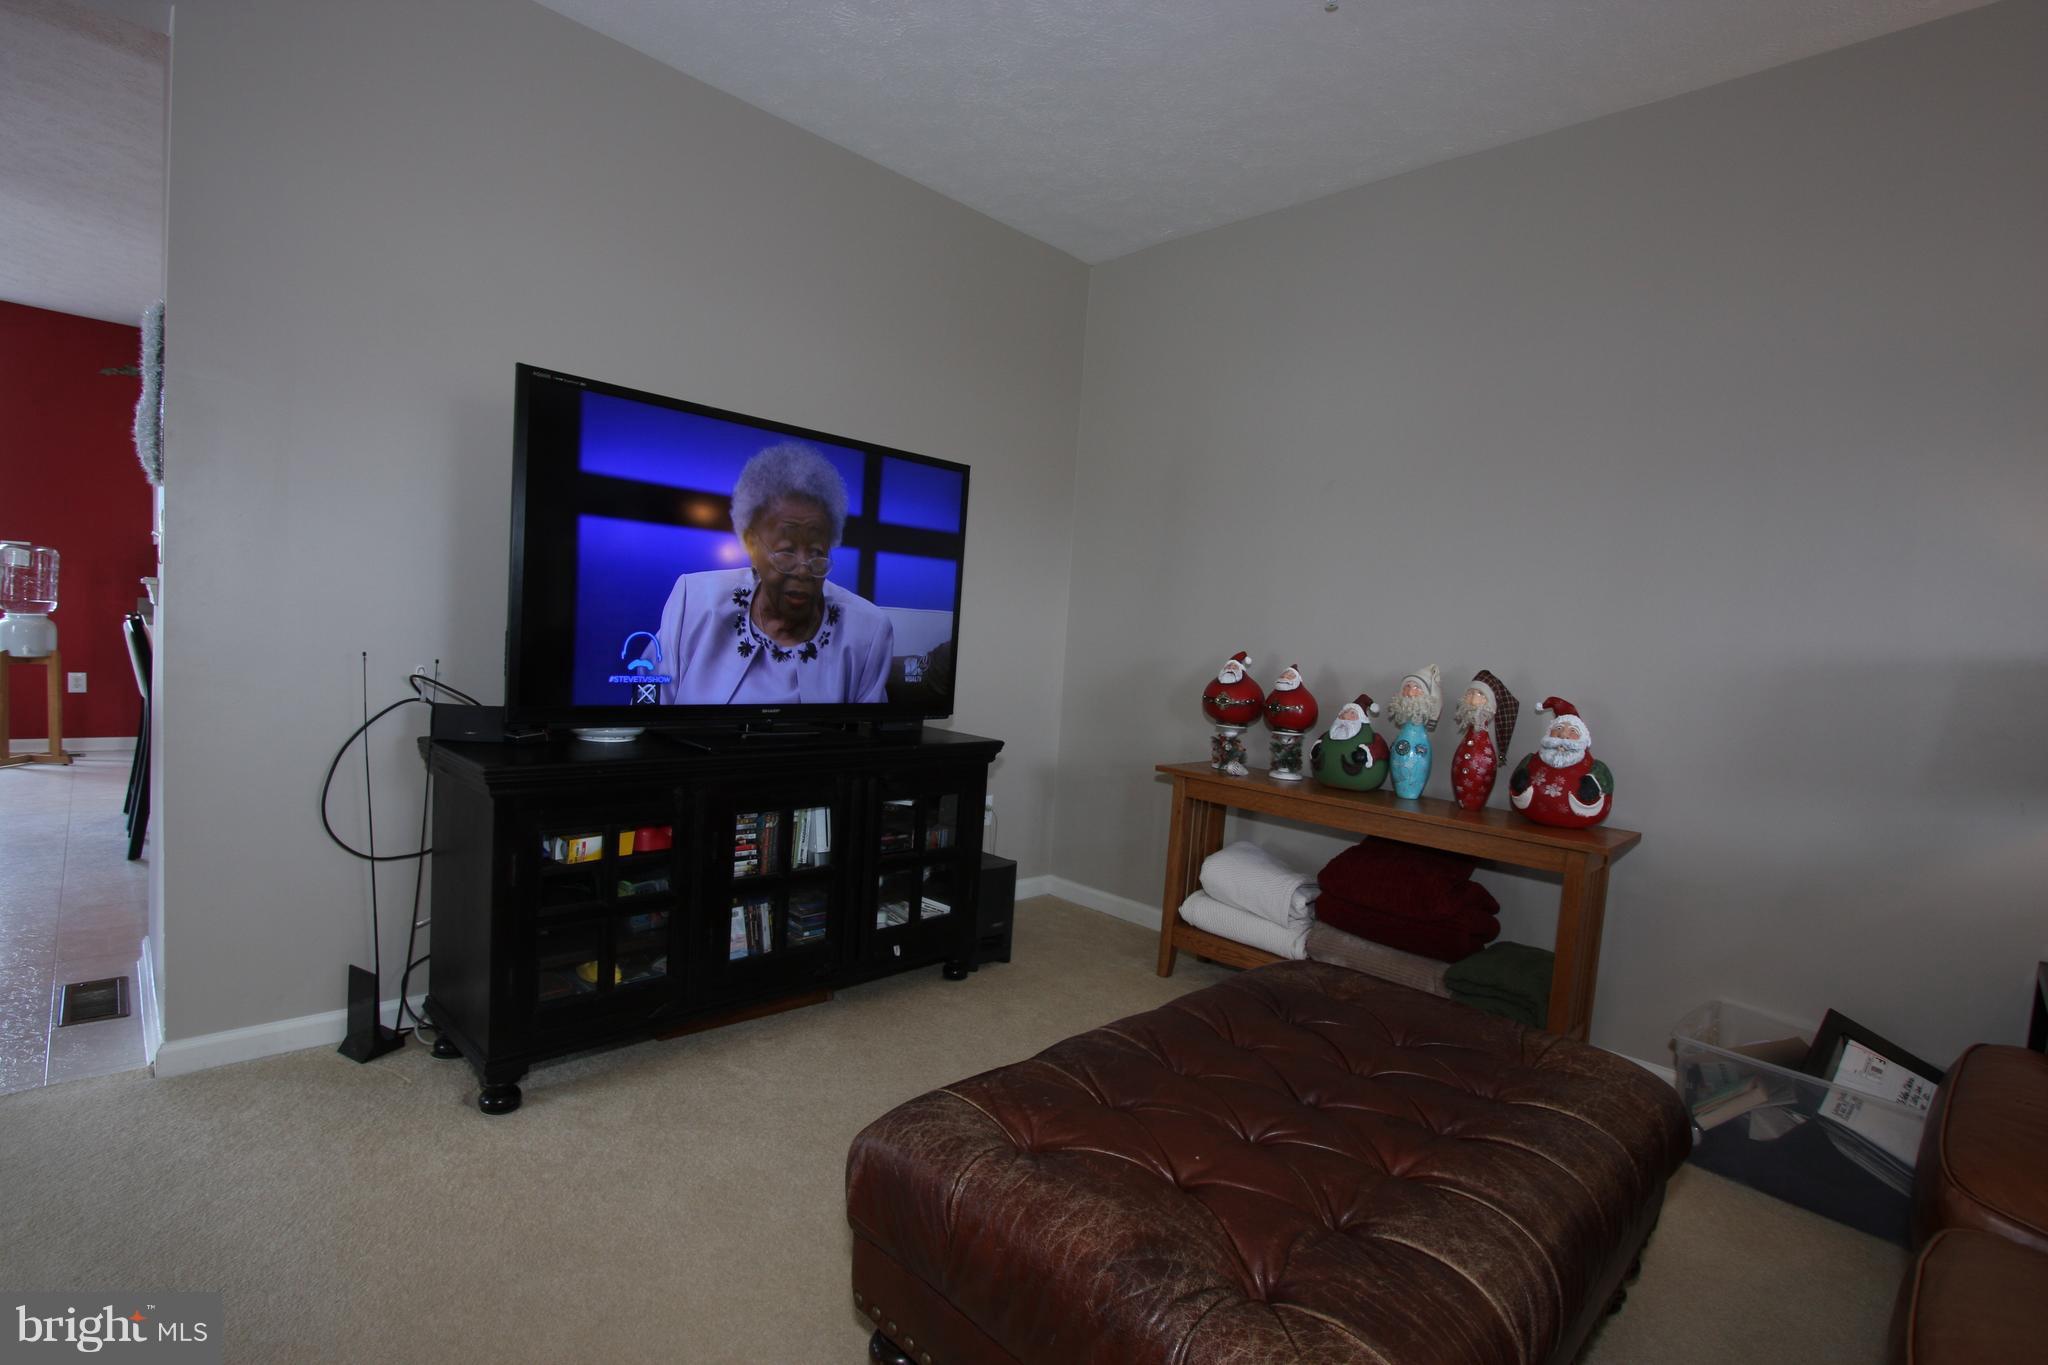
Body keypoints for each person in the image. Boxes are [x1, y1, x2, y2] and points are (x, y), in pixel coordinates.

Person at [642, 443, 894, 704]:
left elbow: (867, 739)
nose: (803, 570)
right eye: (786, 551)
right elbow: (647, 713)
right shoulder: (692, 602)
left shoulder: (867, 630)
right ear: (751, 545)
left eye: (817, 552)